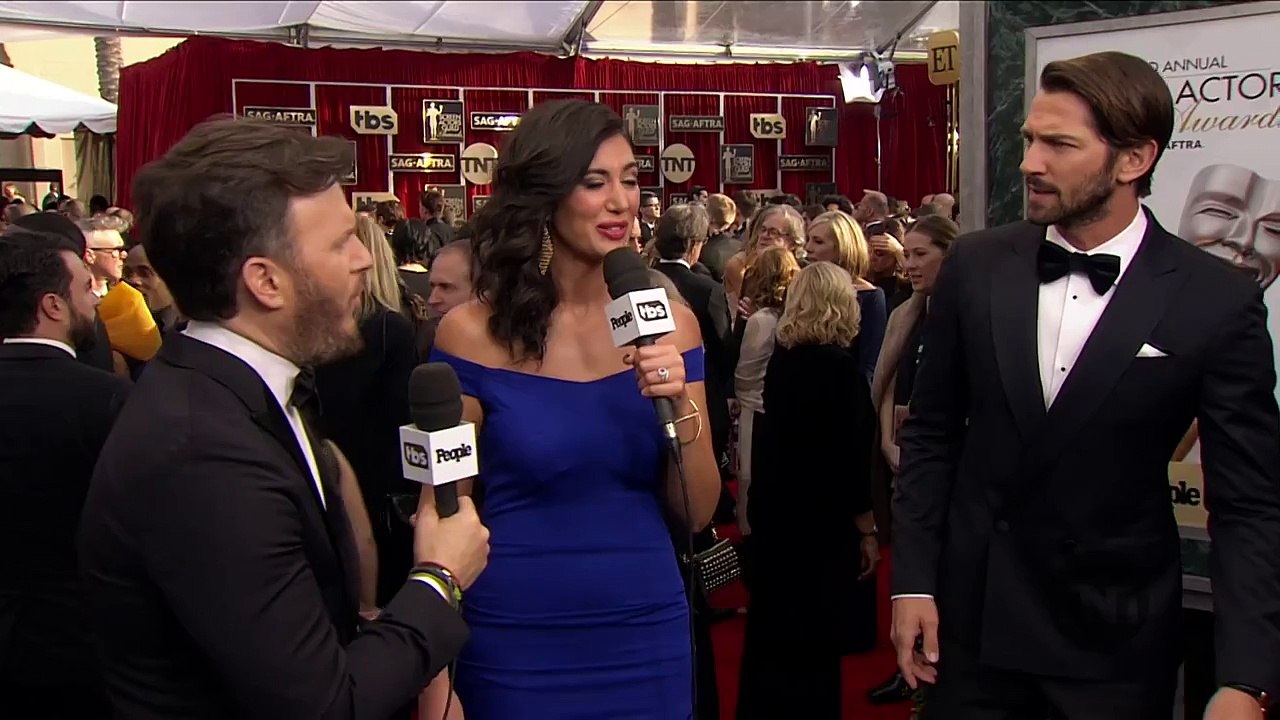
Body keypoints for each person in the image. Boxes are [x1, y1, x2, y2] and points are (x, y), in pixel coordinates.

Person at [891, 52, 1280, 719]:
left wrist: (1246, 677)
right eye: (1029, 139)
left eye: (1059, 144)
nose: (1029, 162)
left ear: (1133, 160)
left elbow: (1249, 505)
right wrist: (913, 583)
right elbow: (931, 436)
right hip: (974, 631)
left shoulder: (1214, 300)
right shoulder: (978, 265)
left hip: (1115, 647)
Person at [78, 116, 491, 718]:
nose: (364, 259)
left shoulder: (245, 394)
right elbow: (322, 703)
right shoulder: (201, 451)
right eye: (341, 243)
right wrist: (439, 578)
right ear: (266, 281)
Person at [425, 99, 721, 719]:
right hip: (514, 635)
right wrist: (432, 677)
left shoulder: (672, 325)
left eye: (630, 180)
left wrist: (677, 402)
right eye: (594, 182)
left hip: (645, 628)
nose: (621, 201)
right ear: (546, 194)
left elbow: (698, 509)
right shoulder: (468, 334)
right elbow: (441, 508)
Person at [737, 262, 877, 719]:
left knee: (772, 639)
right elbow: (852, 462)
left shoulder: (783, 363)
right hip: (821, 529)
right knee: (814, 647)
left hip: (777, 519)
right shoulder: (841, 371)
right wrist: (868, 529)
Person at [0, 229, 130, 719]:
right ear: (52, 306)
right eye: (84, 289)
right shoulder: (108, 399)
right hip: (83, 647)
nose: (94, 300)